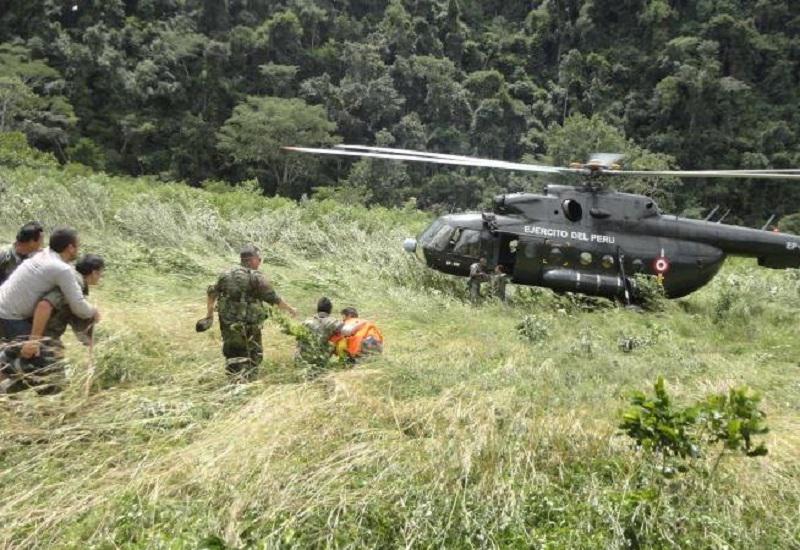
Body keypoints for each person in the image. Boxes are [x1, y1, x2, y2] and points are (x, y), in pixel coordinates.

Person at [0, 254, 104, 395]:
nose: (100, 277)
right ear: (94, 272)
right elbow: (44, 306)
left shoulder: (69, 280)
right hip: (40, 336)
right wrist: (35, 340)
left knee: (12, 366)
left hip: (26, 330)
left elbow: (78, 322)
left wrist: (90, 337)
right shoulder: (74, 284)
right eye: (100, 273)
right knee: (52, 382)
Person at [203, 245, 297, 378]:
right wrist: (290, 309)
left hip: (228, 324)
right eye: (259, 259)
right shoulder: (256, 277)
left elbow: (212, 292)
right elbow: (273, 298)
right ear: (252, 260)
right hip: (249, 325)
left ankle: (234, 381)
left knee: (232, 354)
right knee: (253, 354)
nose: (260, 262)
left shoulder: (225, 274)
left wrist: (209, 315)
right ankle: (249, 381)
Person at [0, 227, 98, 341]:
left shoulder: (43, 253)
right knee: (43, 349)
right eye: (78, 246)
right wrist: (93, 311)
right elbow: (78, 306)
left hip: (3, 306)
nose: (78, 250)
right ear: (70, 248)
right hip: (8, 316)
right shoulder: (62, 269)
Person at [298, 298, 364, 365]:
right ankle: (347, 362)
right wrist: (361, 323)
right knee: (340, 338)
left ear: (317, 309)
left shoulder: (305, 322)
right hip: (318, 360)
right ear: (330, 310)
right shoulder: (332, 322)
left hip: (301, 359)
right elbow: (348, 331)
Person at [0, 221, 44, 287]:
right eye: (41, 240)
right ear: (31, 242)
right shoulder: (4, 254)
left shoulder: (38, 256)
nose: (42, 243)